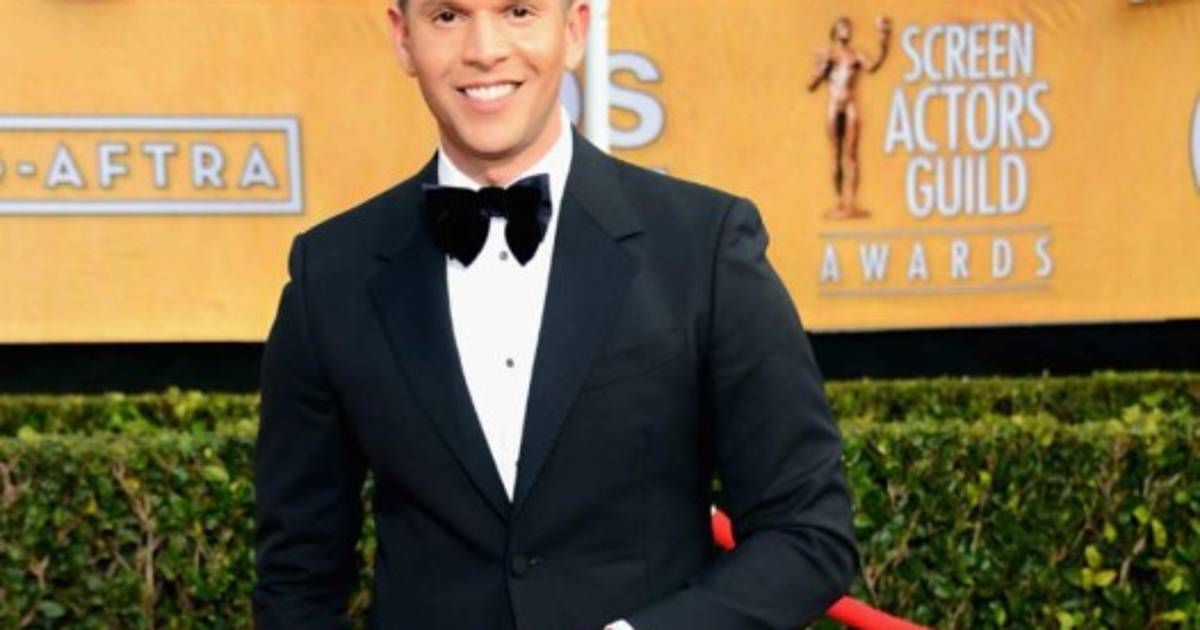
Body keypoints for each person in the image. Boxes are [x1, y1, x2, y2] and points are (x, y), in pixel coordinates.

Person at [252, 0, 857, 628]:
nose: (484, 49)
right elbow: (296, 579)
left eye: (518, 11)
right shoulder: (332, 274)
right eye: (448, 17)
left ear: (573, 30)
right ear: (403, 38)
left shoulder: (703, 246)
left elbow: (807, 531)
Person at [807, 15, 891, 220]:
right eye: (843, 27)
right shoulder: (828, 55)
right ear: (835, 32)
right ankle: (838, 202)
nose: (847, 30)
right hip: (834, 106)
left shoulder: (856, 55)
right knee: (836, 155)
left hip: (850, 105)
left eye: (848, 27)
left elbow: (873, 66)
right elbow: (811, 85)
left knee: (851, 155)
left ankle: (851, 203)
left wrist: (884, 41)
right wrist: (822, 68)